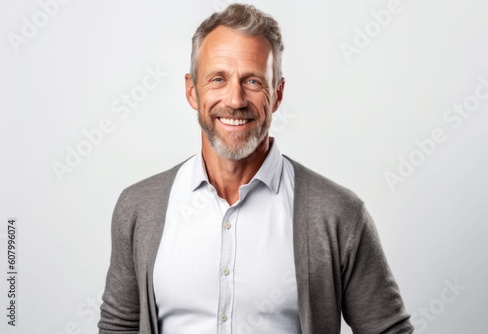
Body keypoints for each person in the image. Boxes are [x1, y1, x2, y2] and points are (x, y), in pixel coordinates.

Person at [98, 4, 414, 334]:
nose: (235, 100)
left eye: (252, 81)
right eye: (218, 79)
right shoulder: (138, 207)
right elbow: (119, 328)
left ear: (277, 94)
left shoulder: (338, 214)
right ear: (192, 90)